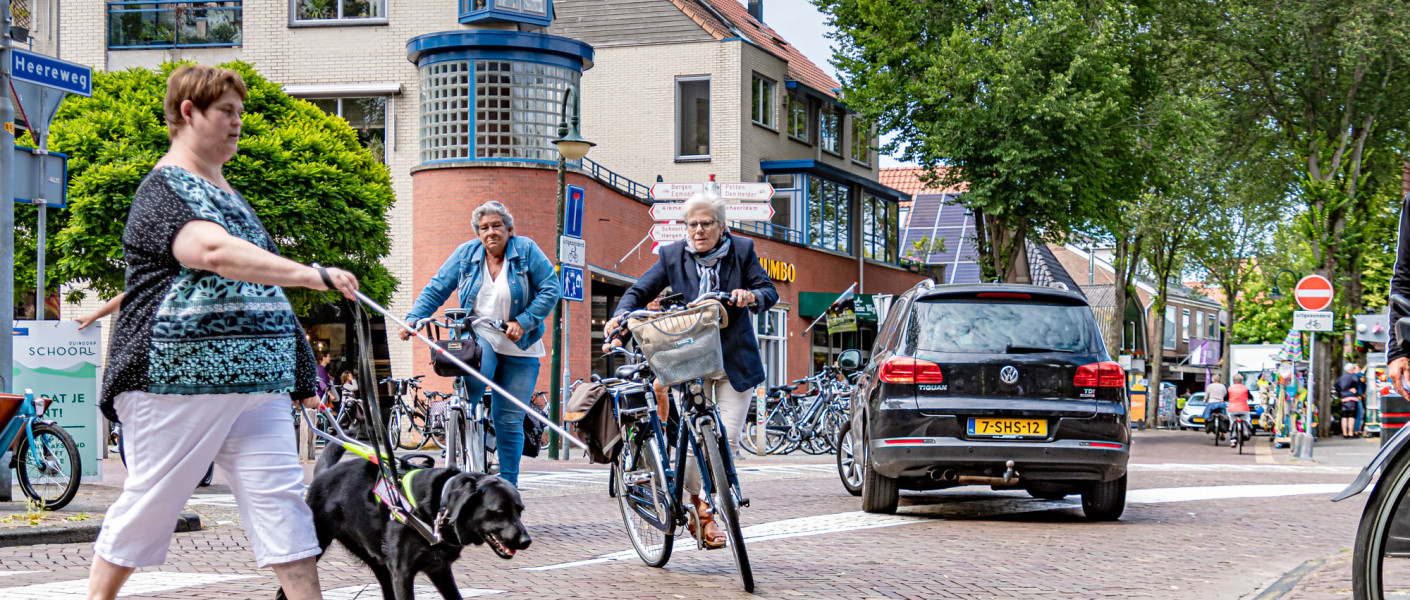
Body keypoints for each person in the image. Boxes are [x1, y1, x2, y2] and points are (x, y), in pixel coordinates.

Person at [90, 64, 359, 600]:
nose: (238, 123)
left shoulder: (227, 192)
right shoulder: (165, 189)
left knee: (281, 502)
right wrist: (314, 275)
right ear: (189, 113)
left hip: (254, 388)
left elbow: (257, 289)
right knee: (151, 503)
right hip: (176, 381)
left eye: (240, 112)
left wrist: (299, 369)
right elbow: (212, 254)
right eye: (227, 112)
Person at [604, 192, 778, 549]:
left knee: (724, 439)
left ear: (722, 225)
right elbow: (639, 291)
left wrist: (751, 297)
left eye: (706, 223)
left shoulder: (742, 250)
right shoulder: (671, 255)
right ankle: (701, 508)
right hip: (689, 358)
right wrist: (620, 316)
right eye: (692, 224)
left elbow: (768, 290)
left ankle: (707, 505)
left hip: (734, 361)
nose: (699, 230)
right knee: (694, 435)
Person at [401, 201, 560, 487]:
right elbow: (437, 287)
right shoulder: (467, 254)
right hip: (478, 335)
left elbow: (551, 289)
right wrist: (414, 318)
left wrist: (523, 321)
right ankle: (466, 420)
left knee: (509, 420)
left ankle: (508, 488)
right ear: (478, 233)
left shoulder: (526, 251)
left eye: (497, 226)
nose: (491, 232)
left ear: (509, 230)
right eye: (484, 228)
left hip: (520, 345)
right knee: (471, 374)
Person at [1336, 363, 1362, 438]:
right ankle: (1350, 433)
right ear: (1351, 369)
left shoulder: (1341, 377)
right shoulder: (1353, 376)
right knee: (1351, 416)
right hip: (1352, 397)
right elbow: (1357, 382)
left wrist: (1342, 391)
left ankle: (1344, 433)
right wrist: (1353, 389)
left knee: (1344, 416)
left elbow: (1336, 385)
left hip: (1344, 398)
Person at [1227, 378, 1252, 447]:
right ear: (1242, 381)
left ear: (1233, 381)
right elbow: (1250, 397)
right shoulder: (1245, 388)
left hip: (1232, 409)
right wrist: (1251, 398)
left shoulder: (1230, 388)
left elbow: (1226, 397)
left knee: (1232, 422)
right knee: (1247, 420)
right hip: (1244, 409)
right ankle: (1247, 432)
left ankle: (1232, 440)